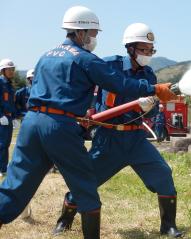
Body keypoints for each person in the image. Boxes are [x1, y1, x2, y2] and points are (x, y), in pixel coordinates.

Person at [0, 7, 176, 239]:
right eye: (93, 33)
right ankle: (72, 224)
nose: (94, 38)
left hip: (33, 123)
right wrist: (153, 90)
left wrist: (148, 103)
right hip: (74, 129)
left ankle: (168, 226)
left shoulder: (46, 55)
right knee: (85, 184)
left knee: (16, 183)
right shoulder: (89, 60)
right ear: (81, 32)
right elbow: (119, 85)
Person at [53, 23, 182, 238]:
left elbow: (151, 112)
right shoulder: (108, 66)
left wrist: (149, 109)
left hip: (136, 138)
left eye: (151, 50)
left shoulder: (149, 75)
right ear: (130, 48)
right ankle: (65, 220)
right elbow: (92, 93)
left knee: (163, 175)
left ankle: (168, 226)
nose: (148, 54)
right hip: (108, 139)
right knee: (85, 183)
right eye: (144, 49)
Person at [0, 59, 17, 177]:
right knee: (1, 144)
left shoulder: (10, 86)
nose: (11, 71)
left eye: (12, 69)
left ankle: (3, 168)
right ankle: (2, 169)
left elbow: (12, 103)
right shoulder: (0, 83)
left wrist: (14, 117)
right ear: (2, 70)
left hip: (9, 118)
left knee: (6, 144)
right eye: (9, 69)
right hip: (2, 118)